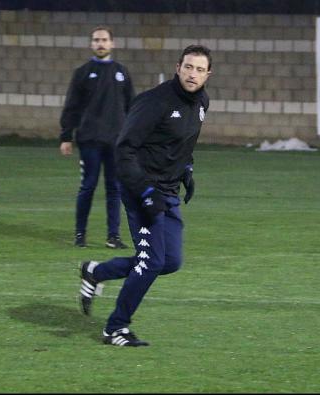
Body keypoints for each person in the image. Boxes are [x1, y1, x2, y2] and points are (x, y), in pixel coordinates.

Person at [78, 45, 212, 347]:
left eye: (200, 69)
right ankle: (115, 327)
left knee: (170, 261)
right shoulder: (155, 102)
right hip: (141, 189)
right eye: (188, 67)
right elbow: (124, 150)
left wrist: (186, 169)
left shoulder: (202, 101)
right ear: (178, 67)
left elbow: (183, 143)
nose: (193, 74)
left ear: (208, 74)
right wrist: (145, 191)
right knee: (150, 262)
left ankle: (96, 271)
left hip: (167, 191)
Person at [59, 26, 135, 249]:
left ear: (112, 43)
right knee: (88, 186)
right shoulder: (82, 72)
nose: (100, 43)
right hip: (90, 139)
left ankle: (113, 236)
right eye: (96, 40)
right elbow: (71, 106)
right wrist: (66, 136)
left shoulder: (122, 72)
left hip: (116, 142)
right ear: (91, 44)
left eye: (104, 40)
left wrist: (134, 138)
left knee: (115, 189)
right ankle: (80, 234)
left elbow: (132, 107)